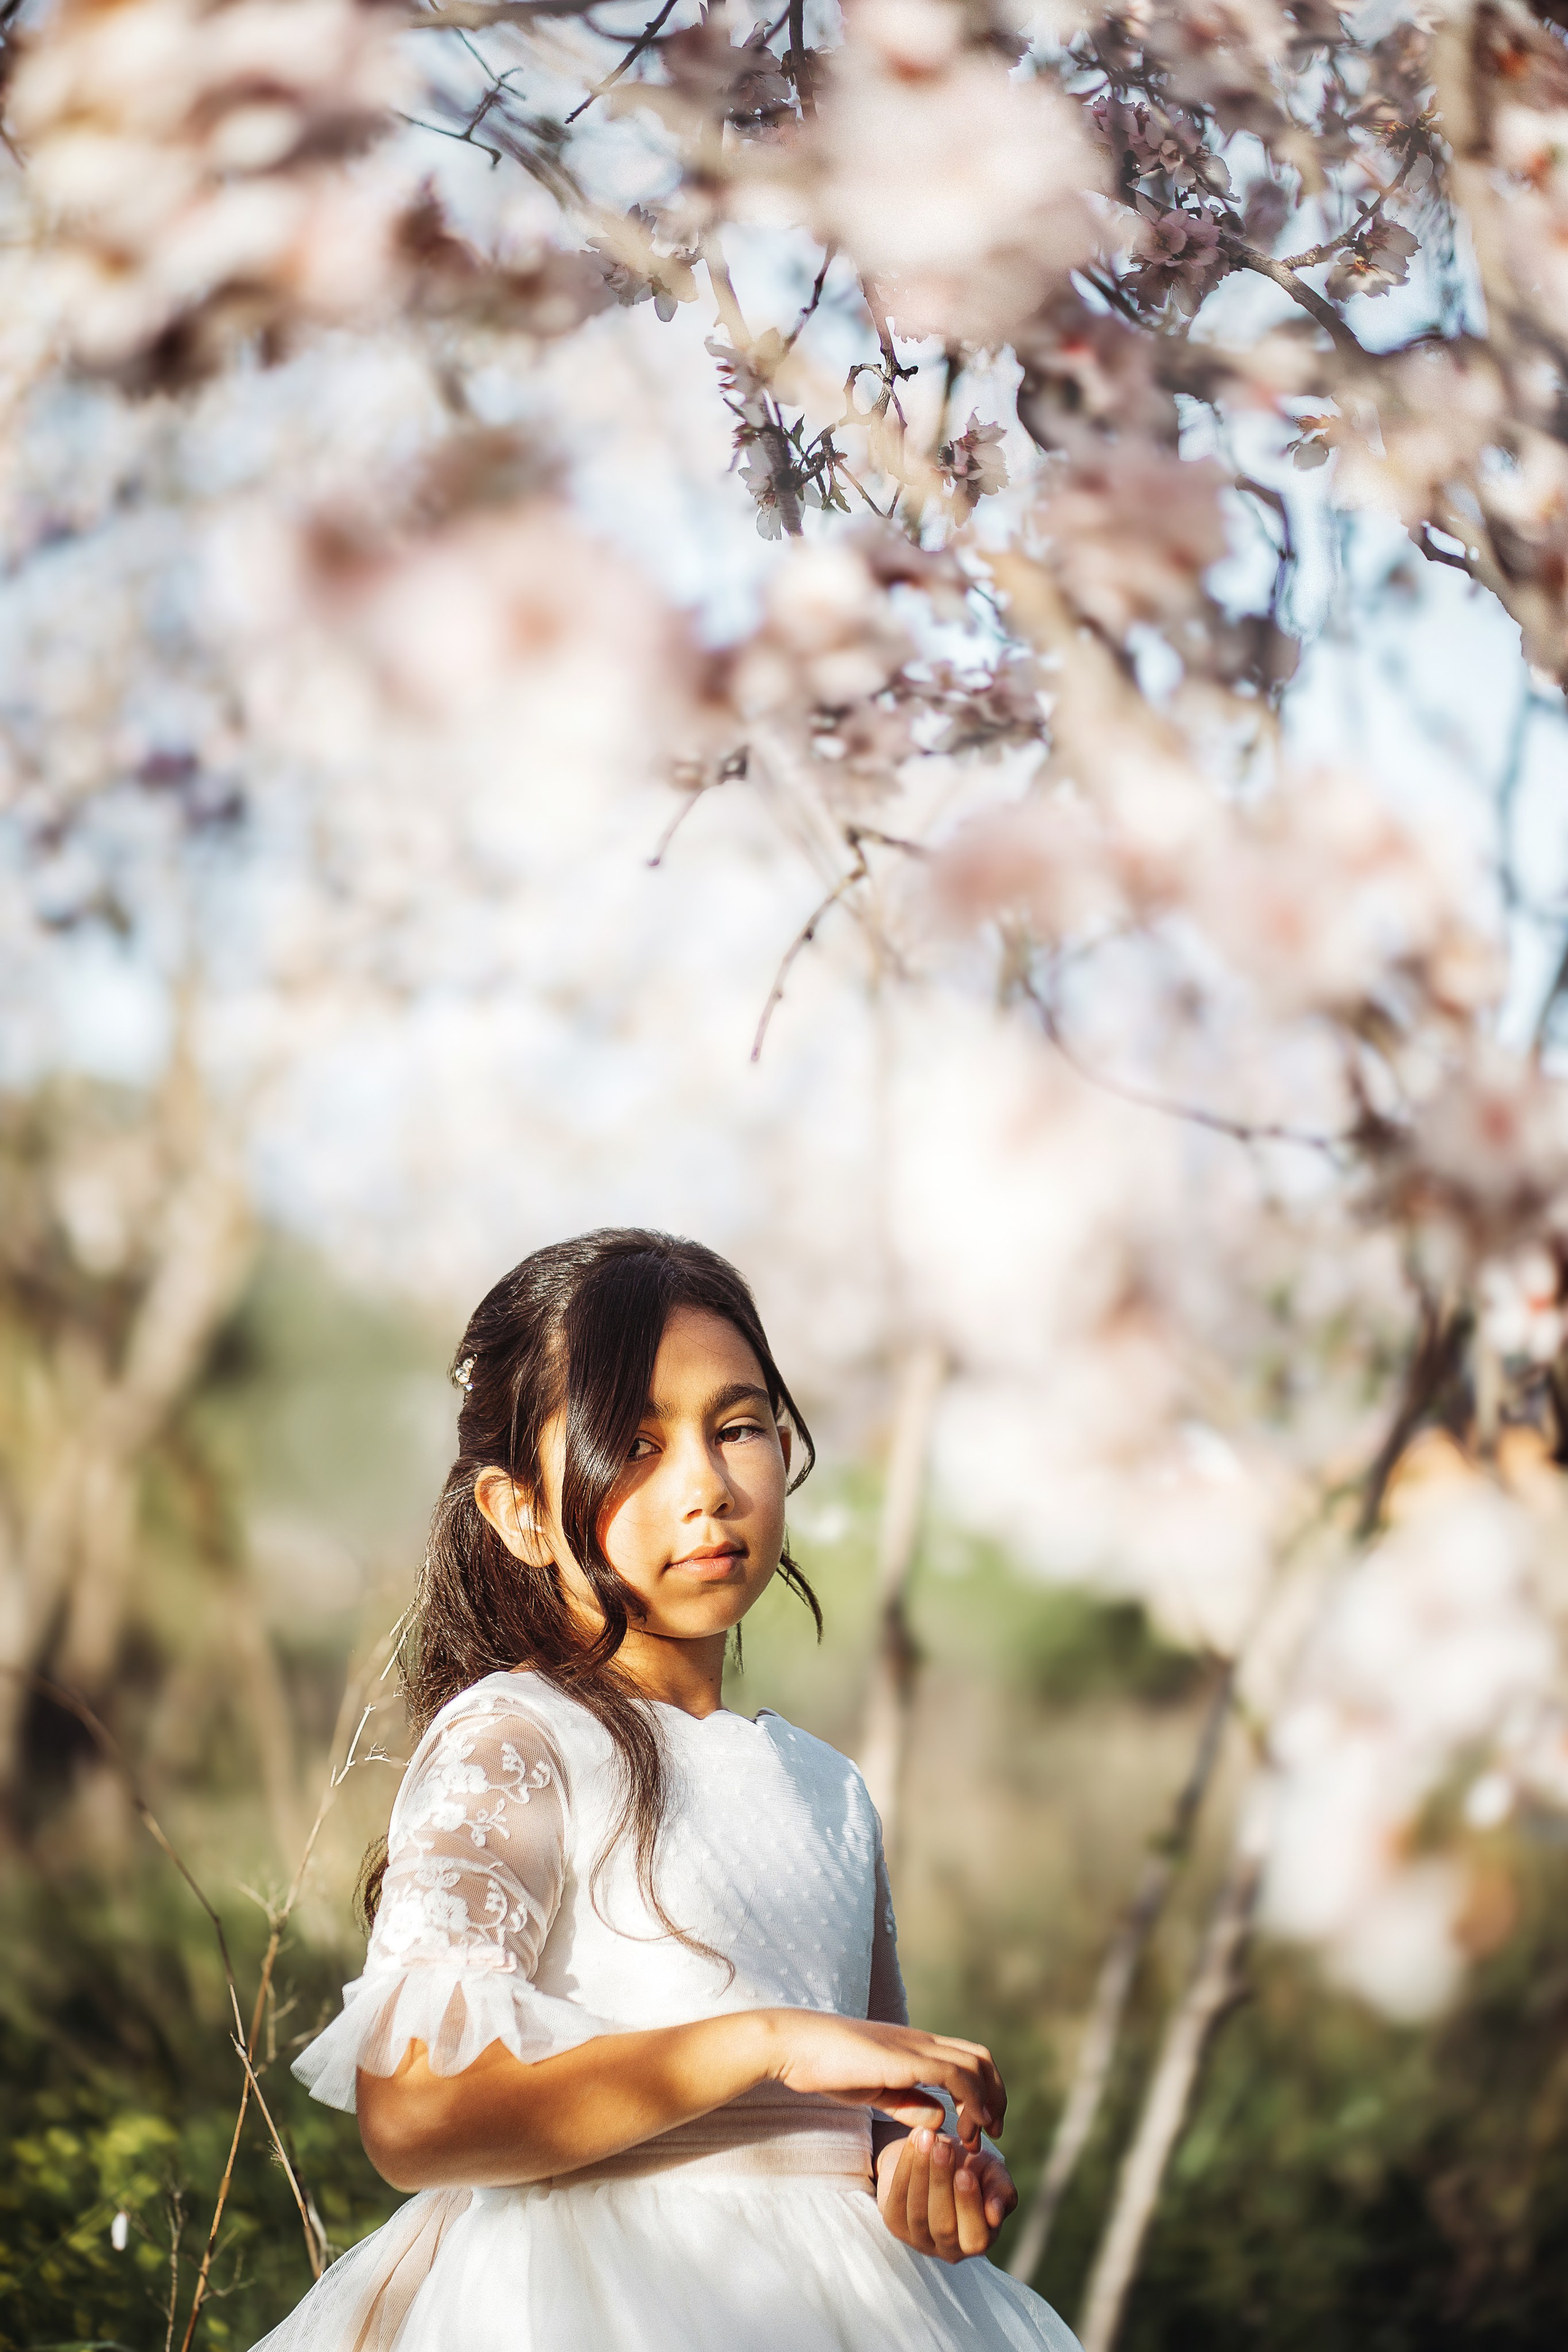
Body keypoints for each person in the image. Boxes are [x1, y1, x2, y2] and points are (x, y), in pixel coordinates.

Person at [256, 1229, 1080, 2352]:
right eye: (632, 1446)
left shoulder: (826, 1787)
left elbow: (861, 2117)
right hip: (591, 2304)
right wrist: (764, 2042)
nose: (705, 1487)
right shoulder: (519, 1740)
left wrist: (916, 2168)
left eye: (736, 1428)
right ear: (521, 1512)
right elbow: (419, 2115)